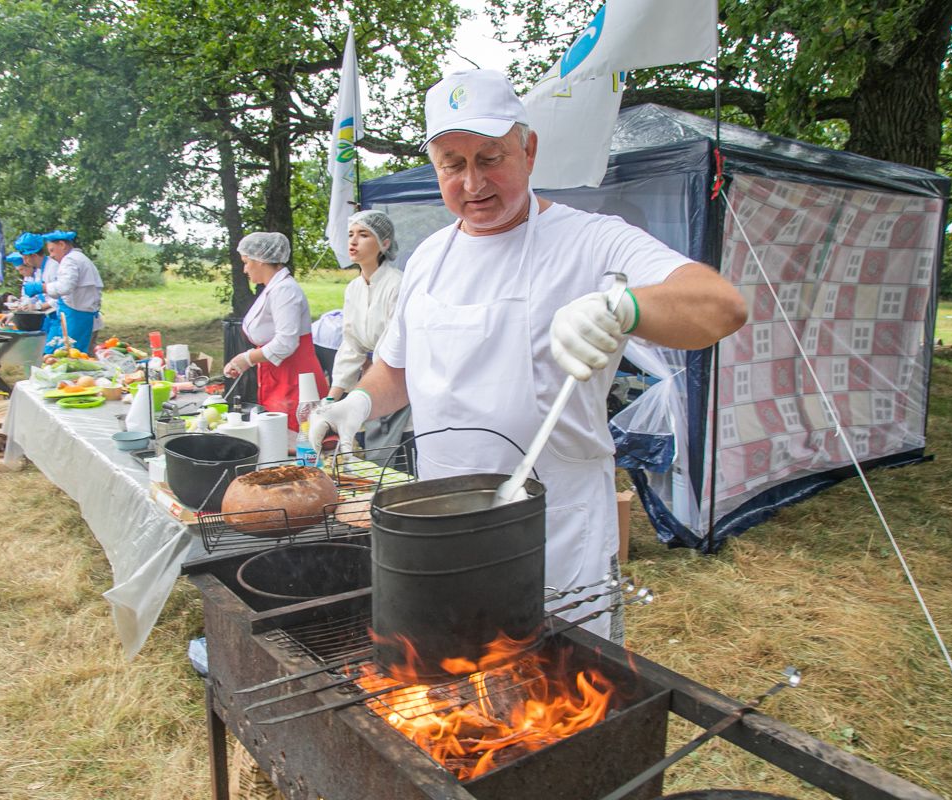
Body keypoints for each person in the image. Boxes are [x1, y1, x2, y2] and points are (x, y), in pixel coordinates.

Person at [310, 70, 747, 643]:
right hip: (444, 525)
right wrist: (358, 401)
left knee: (563, 692)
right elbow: (399, 369)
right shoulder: (429, 258)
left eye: (490, 158)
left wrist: (624, 306)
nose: (472, 182)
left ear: (529, 149)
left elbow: (721, 306)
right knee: (461, 678)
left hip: (556, 529)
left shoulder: (591, 240)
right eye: (452, 164)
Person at [325, 210, 411, 463]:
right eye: (351, 234)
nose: (353, 241)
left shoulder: (398, 284)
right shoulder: (353, 289)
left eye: (363, 235)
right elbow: (351, 344)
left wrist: (372, 377)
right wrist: (332, 396)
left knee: (397, 459)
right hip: (372, 381)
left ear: (384, 244)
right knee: (373, 458)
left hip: (397, 380)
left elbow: (394, 342)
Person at [222, 232, 329, 431]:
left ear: (260, 260)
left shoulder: (284, 290)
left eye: (246, 262)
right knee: (279, 435)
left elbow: (286, 342)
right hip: (280, 373)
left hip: (295, 377)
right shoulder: (275, 288)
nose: (245, 269)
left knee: (295, 439)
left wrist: (247, 358)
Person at [40, 230, 103, 354]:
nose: (51, 256)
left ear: (62, 245)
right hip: (80, 314)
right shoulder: (79, 258)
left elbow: (65, 287)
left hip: (77, 316)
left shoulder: (70, 260)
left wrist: (42, 288)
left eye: (52, 250)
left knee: (73, 356)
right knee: (78, 354)